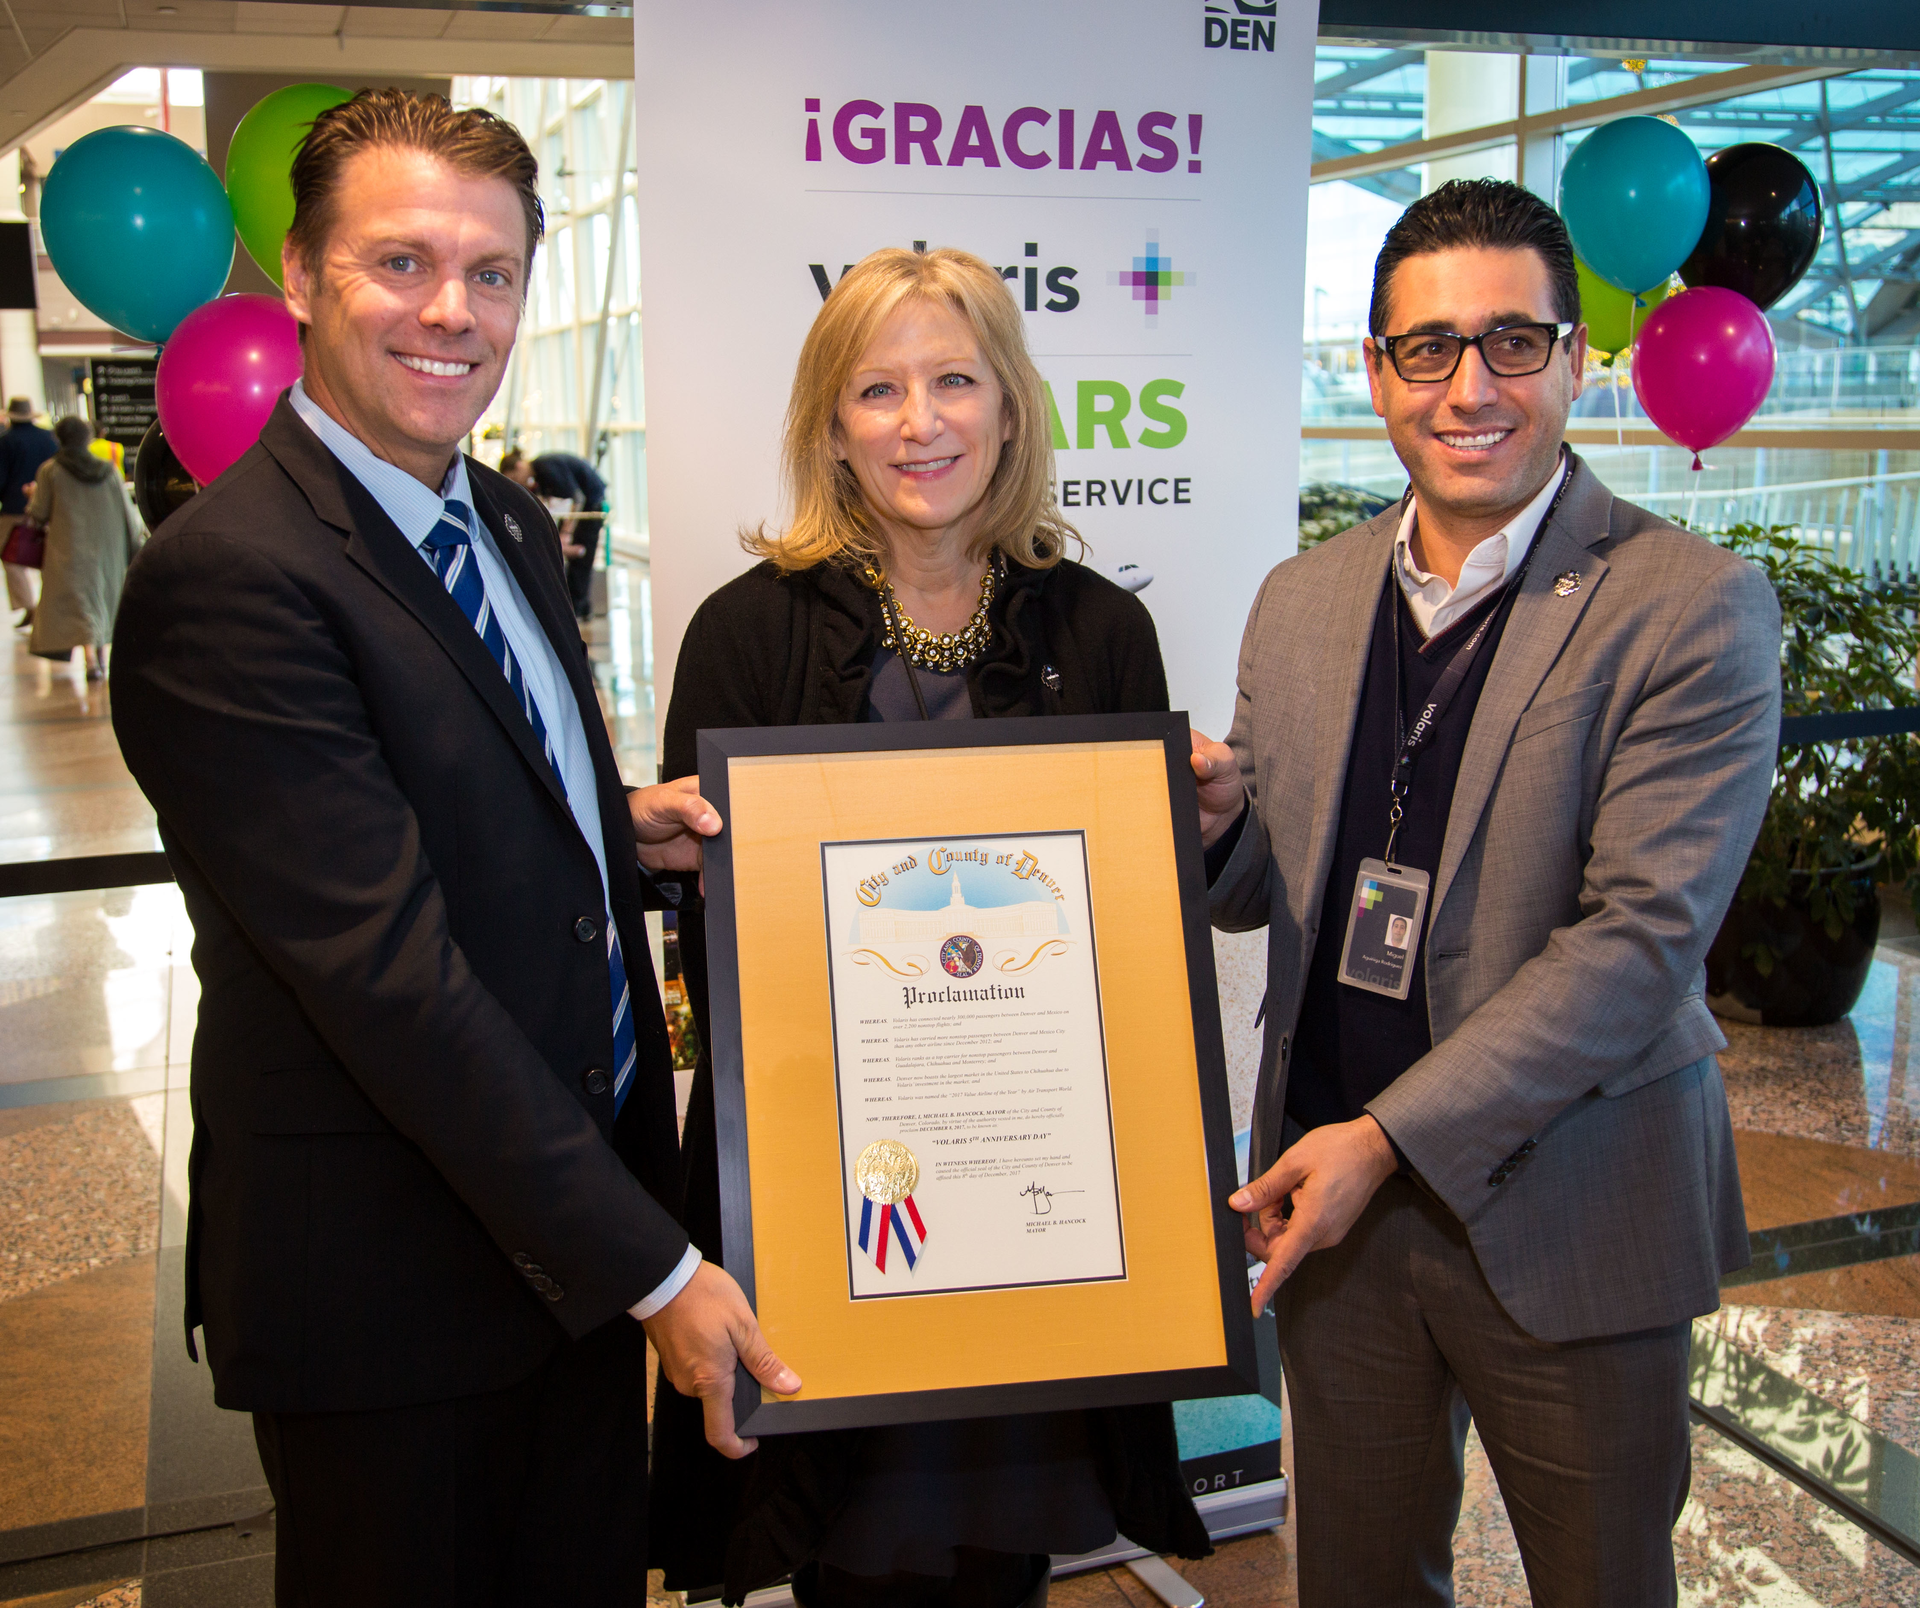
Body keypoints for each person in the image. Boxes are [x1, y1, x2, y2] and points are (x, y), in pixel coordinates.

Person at [109, 89, 794, 1608]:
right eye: (400, 262)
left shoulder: (495, 513)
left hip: (555, 1256)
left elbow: (429, 783)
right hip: (389, 1288)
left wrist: (612, 831)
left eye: (492, 274)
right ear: (297, 276)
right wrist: (660, 1271)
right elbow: (384, 977)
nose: (453, 313)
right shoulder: (230, 581)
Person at [1189, 178, 1780, 1605]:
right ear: (1375, 369)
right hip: (1336, 1219)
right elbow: (1275, 888)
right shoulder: (1304, 597)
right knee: (1363, 1583)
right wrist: (1219, 829)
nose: (1470, 388)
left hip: (1574, 1210)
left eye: (1513, 344)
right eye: (1427, 348)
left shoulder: (1689, 602)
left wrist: (1384, 1140)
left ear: (1579, 360)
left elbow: (1638, 947)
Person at [652, 246, 1207, 1608]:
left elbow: (1132, 948)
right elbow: (707, 958)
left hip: (1031, 1209)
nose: (920, 422)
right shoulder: (746, 633)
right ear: (830, 424)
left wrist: (1202, 830)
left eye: (955, 380)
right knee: (854, 1551)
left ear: (1010, 405)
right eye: (878, 389)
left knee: (1000, 1560)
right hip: (839, 1214)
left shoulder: (1101, 630)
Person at [26, 414, 142, 679]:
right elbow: (127, 513)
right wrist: (134, 545)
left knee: (80, 601)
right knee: (101, 597)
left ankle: (91, 660)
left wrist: (30, 498)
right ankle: (99, 656)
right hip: (107, 547)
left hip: (69, 547)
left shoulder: (50, 470)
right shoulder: (108, 469)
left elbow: (39, 513)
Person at [501, 446, 607, 620]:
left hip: (591, 508)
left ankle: (578, 609)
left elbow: (577, 498)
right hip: (584, 508)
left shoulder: (545, 466)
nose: (518, 482)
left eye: (514, 478)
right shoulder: (539, 474)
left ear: (519, 466)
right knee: (568, 558)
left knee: (581, 560)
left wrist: (566, 532)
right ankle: (577, 606)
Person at [0, 396, 56, 629]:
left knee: (11, 556)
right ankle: (48, 607)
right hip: (52, 507)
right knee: (48, 556)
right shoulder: (49, 439)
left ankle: (29, 605)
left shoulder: (6, 442)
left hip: (14, 507)